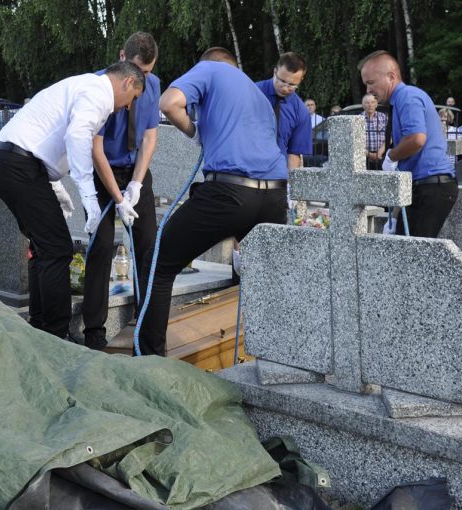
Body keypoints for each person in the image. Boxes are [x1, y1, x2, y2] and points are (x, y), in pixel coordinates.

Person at [140, 47, 288, 356]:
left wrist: (194, 132)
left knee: (158, 262)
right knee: (268, 280)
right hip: (274, 195)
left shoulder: (211, 68)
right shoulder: (260, 95)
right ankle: (274, 359)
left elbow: (170, 103)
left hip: (230, 193)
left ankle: (149, 362)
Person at [0, 62, 144, 339]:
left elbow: (47, 136)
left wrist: (55, 185)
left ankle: (39, 327)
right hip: (18, 165)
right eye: (134, 98)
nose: (129, 106)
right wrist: (90, 199)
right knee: (57, 249)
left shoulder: (82, 86)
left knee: (45, 247)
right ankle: (56, 336)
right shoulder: (97, 93)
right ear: (128, 82)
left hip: (7, 161)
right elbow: (76, 136)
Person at [82, 32, 161, 351]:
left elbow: (150, 138)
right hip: (103, 171)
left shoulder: (153, 86)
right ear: (122, 57)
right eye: (138, 70)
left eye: (149, 71)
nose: (143, 78)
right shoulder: (100, 87)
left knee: (148, 245)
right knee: (101, 246)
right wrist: (118, 197)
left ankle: (145, 325)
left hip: (135, 170)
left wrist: (137, 184)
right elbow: (94, 147)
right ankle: (94, 331)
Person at [360, 50, 457, 237]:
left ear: (391, 76)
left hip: (431, 186)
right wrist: (394, 217)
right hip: (424, 185)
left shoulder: (407, 97)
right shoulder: (399, 101)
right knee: (409, 253)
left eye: (371, 82)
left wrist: (391, 155)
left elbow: (416, 139)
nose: (368, 90)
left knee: (414, 258)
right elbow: (406, 168)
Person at [256, 52, 311, 170]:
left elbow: (294, 154)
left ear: (301, 79)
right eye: (281, 81)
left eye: (292, 85)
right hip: (245, 173)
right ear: (275, 72)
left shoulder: (301, 111)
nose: (285, 88)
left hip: (276, 176)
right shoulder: (252, 93)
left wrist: (289, 184)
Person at [361, 93, 387, 169]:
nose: (370, 105)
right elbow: (354, 141)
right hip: (363, 157)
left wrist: (380, 152)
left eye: (372, 102)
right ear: (362, 105)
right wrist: (368, 154)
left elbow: (390, 137)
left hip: (381, 155)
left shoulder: (384, 117)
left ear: (376, 104)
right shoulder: (358, 119)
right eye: (367, 102)